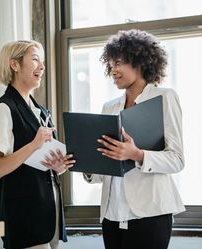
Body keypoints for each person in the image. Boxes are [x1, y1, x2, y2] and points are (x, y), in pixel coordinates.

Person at [84, 29, 185, 249]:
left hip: (149, 214)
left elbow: (176, 160)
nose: (113, 71)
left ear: (139, 62)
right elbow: (106, 167)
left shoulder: (164, 98)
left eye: (118, 63)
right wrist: (86, 163)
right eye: (110, 65)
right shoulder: (109, 107)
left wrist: (137, 155)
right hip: (112, 215)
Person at [0, 40, 75, 249]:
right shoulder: (3, 109)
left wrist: (58, 167)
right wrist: (33, 145)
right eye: (35, 59)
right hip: (24, 220)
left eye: (42, 61)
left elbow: (39, 167)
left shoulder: (41, 111)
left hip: (49, 219)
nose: (42, 67)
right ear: (14, 65)